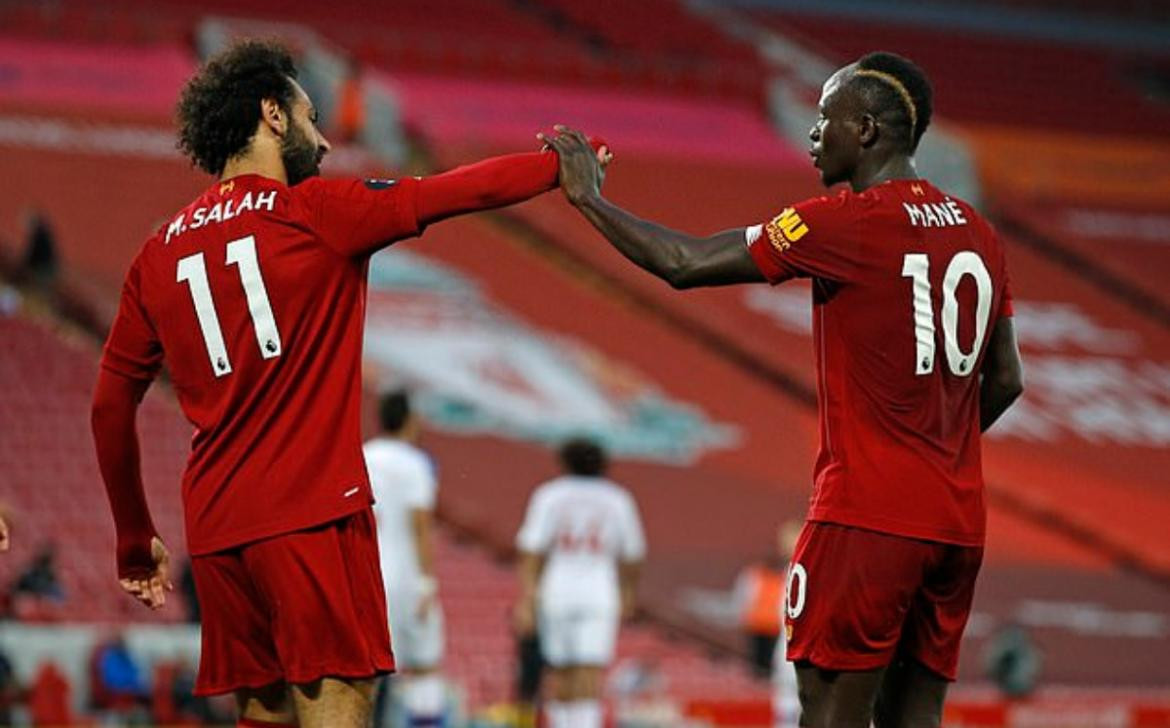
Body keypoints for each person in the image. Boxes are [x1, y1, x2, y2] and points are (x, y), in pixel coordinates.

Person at [90, 39, 608, 728]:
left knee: (262, 714)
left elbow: (108, 405)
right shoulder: (317, 214)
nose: (326, 140)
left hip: (217, 531)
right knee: (339, 707)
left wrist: (133, 535)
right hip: (310, 516)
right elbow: (454, 191)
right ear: (272, 116)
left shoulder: (156, 255)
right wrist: (559, 165)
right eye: (311, 116)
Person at [541, 51, 1024, 728]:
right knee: (916, 716)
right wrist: (934, 447)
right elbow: (1007, 379)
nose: (812, 136)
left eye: (825, 120)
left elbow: (683, 262)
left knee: (828, 713)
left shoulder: (843, 222)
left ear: (864, 131)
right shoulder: (980, 233)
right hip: (956, 523)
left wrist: (588, 197)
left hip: (864, 517)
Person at [514, 438, 646, 728]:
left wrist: (528, 597)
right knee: (589, 669)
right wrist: (627, 591)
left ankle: (563, 723)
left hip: (558, 589)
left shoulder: (550, 495)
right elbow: (634, 553)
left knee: (560, 669)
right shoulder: (617, 499)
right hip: (599, 590)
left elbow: (531, 549)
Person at [363, 390, 447, 726]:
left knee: (372, 668)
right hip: (406, 576)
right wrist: (427, 580)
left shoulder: (363, 454)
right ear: (410, 420)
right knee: (425, 663)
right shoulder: (415, 463)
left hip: (370, 572)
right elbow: (420, 525)